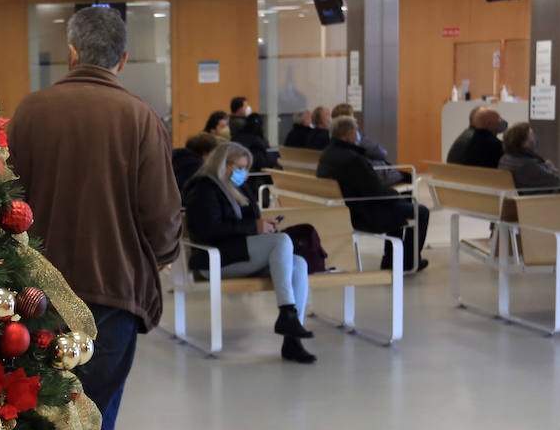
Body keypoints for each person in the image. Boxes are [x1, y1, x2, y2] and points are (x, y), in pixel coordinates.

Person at [8, 6, 182, 430]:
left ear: (71, 52)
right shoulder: (140, 117)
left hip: (37, 293)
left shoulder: (29, 112)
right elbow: (161, 210)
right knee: (97, 421)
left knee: (39, 418)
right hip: (113, 290)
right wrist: (162, 254)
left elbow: (5, 200)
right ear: (122, 60)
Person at [183, 142, 316, 363]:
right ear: (223, 164)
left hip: (242, 253)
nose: (244, 172)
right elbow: (208, 231)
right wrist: (255, 227)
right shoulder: (203, 188)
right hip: (218, 259)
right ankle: (287, 312)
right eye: (240, 166)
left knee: (298, 263)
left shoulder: (239, 186)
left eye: (246, 167)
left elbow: (250, 220)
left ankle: (292, 339)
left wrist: (263, 226)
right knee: (282, 241)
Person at [317, 116, 429, 272]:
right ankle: (409, 261)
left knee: (400, 205)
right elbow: (375, 189)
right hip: (366, 214)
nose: (358, 134)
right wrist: (396, 195)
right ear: (349, 134)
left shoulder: (327, 154)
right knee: (421, 211)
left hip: (348, 210)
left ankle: (391, 259)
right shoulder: (353, 159)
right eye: (356, 130)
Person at [497, 122, 560, 192]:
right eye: (532, 135)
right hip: (535, 200)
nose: (534, 137)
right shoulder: (528, 164)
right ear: (523, 142)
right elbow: (556, 180)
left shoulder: (505, 159)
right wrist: (549, 165)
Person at [227, 96, 278, 170]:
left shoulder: (232, 121)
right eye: (245, 106)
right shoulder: (241, 125)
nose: (248, 108)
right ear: (239, 108)